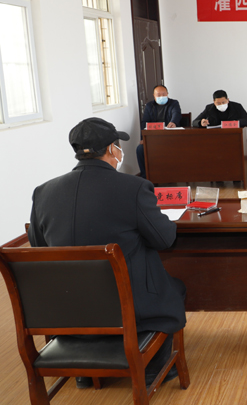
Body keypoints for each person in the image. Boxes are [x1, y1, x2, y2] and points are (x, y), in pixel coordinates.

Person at [28, 117, 186, 387]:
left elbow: (39, 248)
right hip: (128, 307)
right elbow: (164, 239)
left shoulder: (43, 192)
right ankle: (151, 368)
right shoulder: (134, 188)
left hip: (67, 308)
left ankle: (86, 371)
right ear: (113, 149)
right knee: (173, 288)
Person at [136, 84, 182, 179]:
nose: (162, 96)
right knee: (140, 149)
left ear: (167, 94)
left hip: (170, 137)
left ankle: (172, 175)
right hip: (154, 138)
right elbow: (145, 122)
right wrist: (143, 138)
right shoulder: (149, 106)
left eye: (164, 94)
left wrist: (173, 122)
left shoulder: (174, 103)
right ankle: (145, 177)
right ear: (154, 95)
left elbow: (176, 114)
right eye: (158, 95)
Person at [193, 89, 247, 157]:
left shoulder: (237, 107)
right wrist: (201, 122)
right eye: (218, 103)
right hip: (216, 140)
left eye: (223, 102)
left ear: (228, 100)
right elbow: (194, 122)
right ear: (214, 102)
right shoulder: (209, 108)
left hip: (234, 139)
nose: (221, 104)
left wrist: (235, 122)